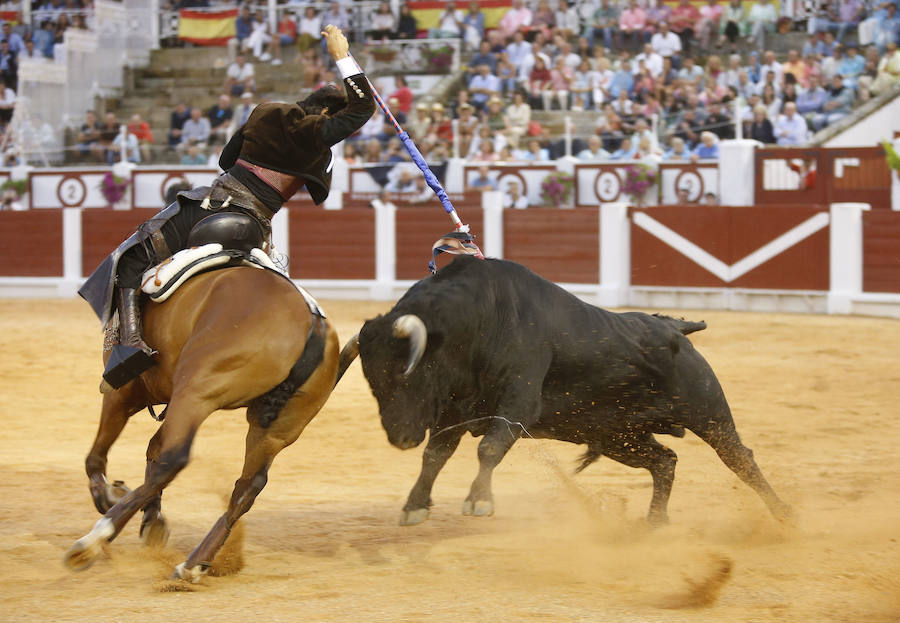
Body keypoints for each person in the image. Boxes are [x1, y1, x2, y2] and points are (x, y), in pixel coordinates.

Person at [78, 25, 376, 390]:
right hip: (257, 227)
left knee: (131, 258)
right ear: (329, 113)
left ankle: (132, 345)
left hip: (211, 207)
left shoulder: (265, 112)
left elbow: (225, 159)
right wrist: (342, 56)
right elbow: (363, 107)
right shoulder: (318, 141)